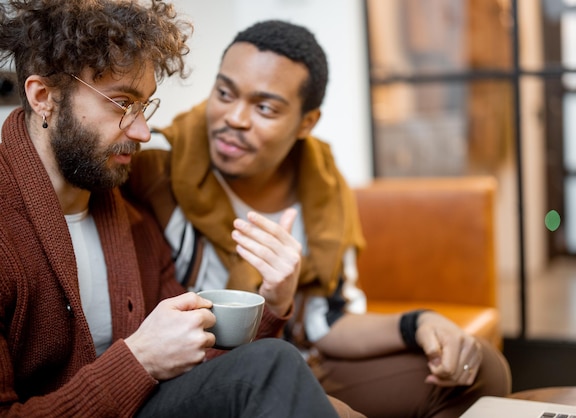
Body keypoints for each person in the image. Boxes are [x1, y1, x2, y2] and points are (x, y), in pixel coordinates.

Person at [127, 19, 512, 418]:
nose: (235, 118)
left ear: (306, 123)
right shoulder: (157, 171)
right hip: (218, 372)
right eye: (224, 93)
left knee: (480, 368)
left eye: (264, 108)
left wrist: (422, 323)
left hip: (306, 356)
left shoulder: (322, 188)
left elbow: (327, 321)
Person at [0, 3, 351, 417]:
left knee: (287, 373)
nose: (143, 131)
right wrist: (139, 362)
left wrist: (272, 304)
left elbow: (206, 367)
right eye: (120, 103)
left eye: (145, 106)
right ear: (43, 97)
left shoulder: (130, 213)